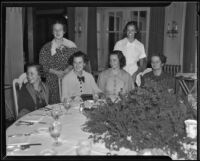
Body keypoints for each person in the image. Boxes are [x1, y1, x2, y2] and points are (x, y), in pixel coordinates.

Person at [39, 18, 78, 104]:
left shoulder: (71, 46)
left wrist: (67, 70)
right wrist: (57, 72)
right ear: (52, 32)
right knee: (55, 107)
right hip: (52, 82)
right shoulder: (46, 48)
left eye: (60, 30)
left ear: (64, 31)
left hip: (69, 80)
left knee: (71, 106)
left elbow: (77, 61)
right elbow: (42, 66)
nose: (57, 32)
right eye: (55, 30)